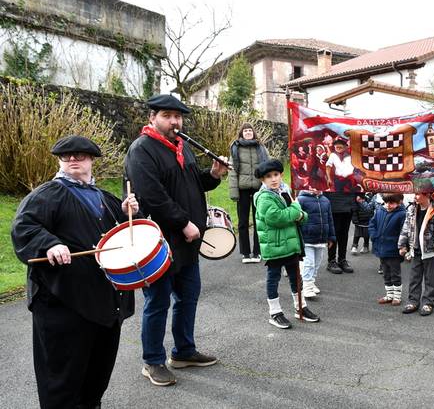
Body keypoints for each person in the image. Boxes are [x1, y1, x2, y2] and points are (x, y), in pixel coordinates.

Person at [12, 136, 139, 408]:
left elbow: (125, 238)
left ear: (91, 160)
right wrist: (50, 243)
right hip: (63, 306)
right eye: (66, 156)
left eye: (80, 155)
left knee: (95, 380)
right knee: (62, 384)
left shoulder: (106, 198)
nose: (72, 160)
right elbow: (24, 228)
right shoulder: (46, 194)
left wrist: (128, 213)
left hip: (103, 306)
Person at [124, 94, 228, 386]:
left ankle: (183, 351)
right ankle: (152, 361)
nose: (174, 121)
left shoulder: (182, 147)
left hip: (187, 242)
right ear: (152, 118)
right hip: (160, 241)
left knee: (188, 297)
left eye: (178, 116)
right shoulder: (142, 150)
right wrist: (184, 223)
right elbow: (151, 196)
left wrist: (214, 175)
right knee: (157, 302)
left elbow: (194, 183)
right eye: (168, 116)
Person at [254, 159, 319, 329]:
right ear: (263, 180)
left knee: (295, 277)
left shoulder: (286, 191)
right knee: (273, 278)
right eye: (268, 176)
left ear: (281, 175)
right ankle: (275, 312)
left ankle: (300, 307)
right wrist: (296, 211)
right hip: (274, 245)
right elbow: (276, 218)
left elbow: (301, 216)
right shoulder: (264, 197)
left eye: (276, 175)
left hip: (291, 244)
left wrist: (300, 215)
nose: (273, 179)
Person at [398, 192, 434, 316]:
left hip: (430, 251)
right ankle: (413, 301)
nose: (416, 196)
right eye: (415, 193)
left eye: (419, 194)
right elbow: (406, 228)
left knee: (430, 279)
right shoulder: (411, 209)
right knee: (414, 278)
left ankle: (428, 302)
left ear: (428, 195)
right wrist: (402, 245)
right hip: (416, 249)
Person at [229, 122, 269, 264]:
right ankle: (246, 253)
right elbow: (232, 171)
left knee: (260, 220)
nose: (247, 132)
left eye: (249, 130)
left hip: (259, 188)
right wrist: (234, 192)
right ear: (241, 133)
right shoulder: (236, 148)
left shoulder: (261, 147)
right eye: (245, 130)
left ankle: (258, 251)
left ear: (253, 133)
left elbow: (267, 168)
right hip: (243, 189)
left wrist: (269, 187)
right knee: (243, 222)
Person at [369, 193, 407, 306]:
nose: (388, 205)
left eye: (391, 203)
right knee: (386, 273)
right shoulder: (380, 211)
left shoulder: (402, 214)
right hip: (381, 248)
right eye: (386, 202)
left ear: (398, 202)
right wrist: (374, 236)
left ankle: (397, 297)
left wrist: (403, 246)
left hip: (394, 249)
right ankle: (389, 295)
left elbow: (404, 232)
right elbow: (372, 224)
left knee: (395, 274)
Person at [297, 188, 336, 298]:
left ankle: (311, 282)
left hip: (321, 239)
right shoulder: (301, 200)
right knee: (308, 263)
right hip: (307, 239)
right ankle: (307, 287)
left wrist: (331, 237)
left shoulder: (325, 201)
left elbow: (330, 219)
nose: (316, 188)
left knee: (317, 262)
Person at [324, 189, 355, 274]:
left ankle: (342, 259)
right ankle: (331, 261)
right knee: (334, 234)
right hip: (333, 201)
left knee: (344, 234)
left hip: (348, 202)